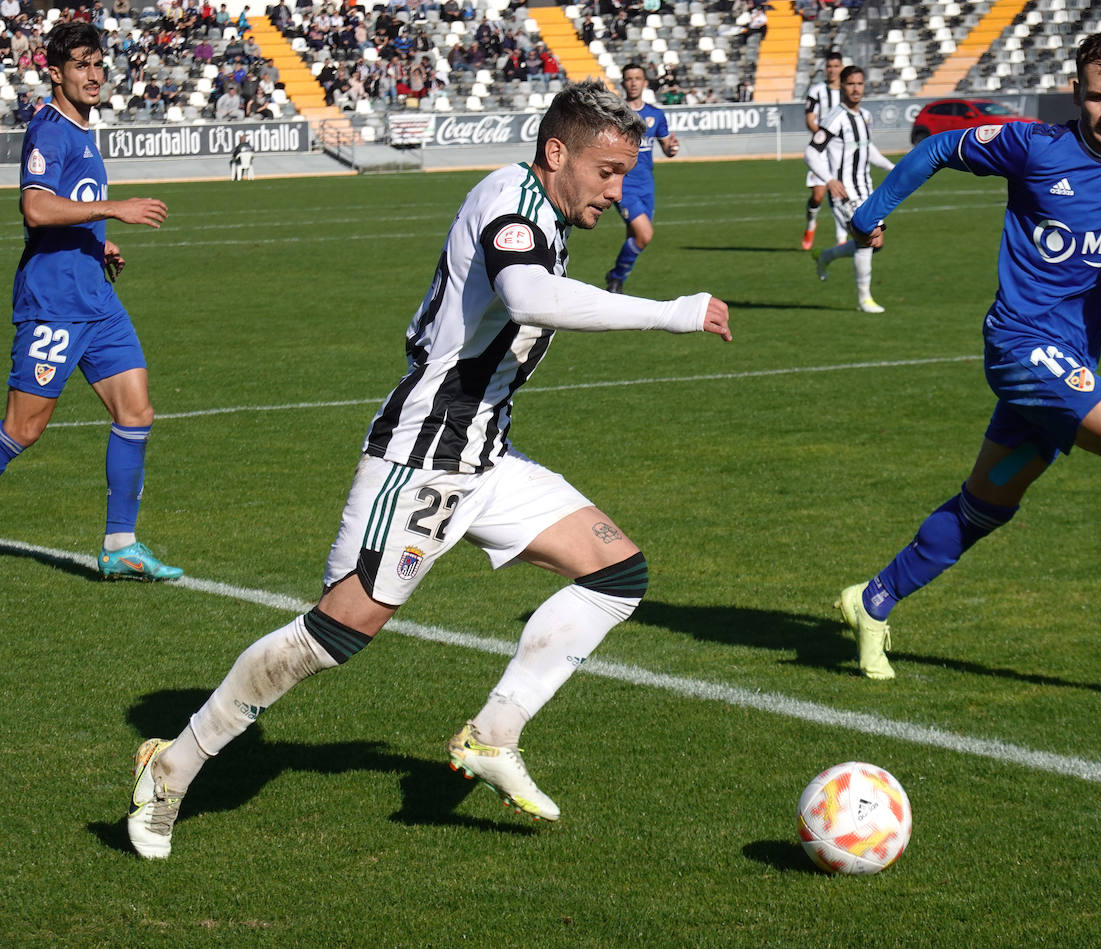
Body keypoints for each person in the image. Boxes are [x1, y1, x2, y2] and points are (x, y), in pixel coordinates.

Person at [125, 78, 733, 859]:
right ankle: (170, 768)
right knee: (334, 634)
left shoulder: (546, 209)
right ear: (557, 154)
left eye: (625, 174)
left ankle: (493, 734)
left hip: (484, 452)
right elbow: (526, 295)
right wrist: (670, 311)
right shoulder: (510, 201)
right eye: (607, 172)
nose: (618, 191)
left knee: (615, 572)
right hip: (423, 453)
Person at [833, 30, 1101, 688]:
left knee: (985, 507)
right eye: (1095, 97)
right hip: (1022, 346)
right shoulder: (1036, 147)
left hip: (1067, 358)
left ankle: (872, 601)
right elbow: (944, 146)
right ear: (1075, 93)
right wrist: (873, 209)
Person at [2, 22, 182, 581]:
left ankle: (121, 545)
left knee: (137, 413)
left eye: (98, 63)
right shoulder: (50, 131)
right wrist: (114, 209)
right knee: (22, 430)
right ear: (55, 74)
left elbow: (66, 208)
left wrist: (96, 242)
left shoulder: (82, 131)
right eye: (81, 65)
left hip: (96, 299)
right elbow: (36, 209)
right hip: (54, 302)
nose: (95, 73)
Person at [807, 65, 893, 314]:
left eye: (860, 84)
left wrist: (893, 167)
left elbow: (867, 148)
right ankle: (864, 299)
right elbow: (811, 152)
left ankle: (826, 256)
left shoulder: (864, 115)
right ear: (842, 87)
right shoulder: (836, 118)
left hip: (867, 190)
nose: (856, 89)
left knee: (876, 243)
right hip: (845, 193)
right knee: (866, 241)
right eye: (850, 84)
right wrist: (829, 180)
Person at [603, 62, 679, 293]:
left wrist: (672, 149)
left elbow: (666, 146)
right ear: (623, 83)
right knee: (645, 235)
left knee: (634, 236)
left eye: (638, 78)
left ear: (645, 83)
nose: (633, 82)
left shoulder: (656, 115)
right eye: (629, 78)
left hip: (647, 185)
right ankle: (616, 278)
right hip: (623, 184)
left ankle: (617, 280)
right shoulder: (615, 114)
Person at [801, 50, 844, 250]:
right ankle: (811, 224)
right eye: (829, 67)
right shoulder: (817, 91)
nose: (832, 70)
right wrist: (824, 137)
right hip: (821, 149)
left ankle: (841, 238)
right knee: (818, 195)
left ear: (841, 67)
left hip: (842, 152)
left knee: (839, 194)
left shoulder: (847, 91)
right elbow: (810, 119)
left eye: (836, 66)